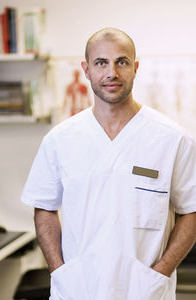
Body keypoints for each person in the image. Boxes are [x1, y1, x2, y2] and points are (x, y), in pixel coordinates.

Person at [21, 27, 196, 300]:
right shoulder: (60, 139)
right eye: (101, 63)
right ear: (86, 69)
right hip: (77, 290)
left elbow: (191, 211)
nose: (111, 73)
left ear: (135, 68)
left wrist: (161, 271)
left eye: (122, 62)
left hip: (145, 292)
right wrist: (59, 270)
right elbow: (44, 207)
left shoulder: (172, 139)